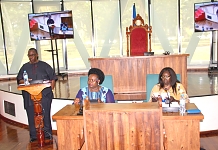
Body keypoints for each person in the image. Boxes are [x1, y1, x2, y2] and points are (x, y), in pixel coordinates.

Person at [16, 48, 57, 142]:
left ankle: (47, 134)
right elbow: (19, 80)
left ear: (37, 55)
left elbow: (53, 78)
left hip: (44, 95)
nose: (31, 57)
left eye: (32, 55)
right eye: (29, 55)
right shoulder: (24, 67)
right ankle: (33, 136)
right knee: (31, 115)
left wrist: (51, 90)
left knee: (45, 114)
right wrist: (26, 80)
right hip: (29, 96)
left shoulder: (44, 65)